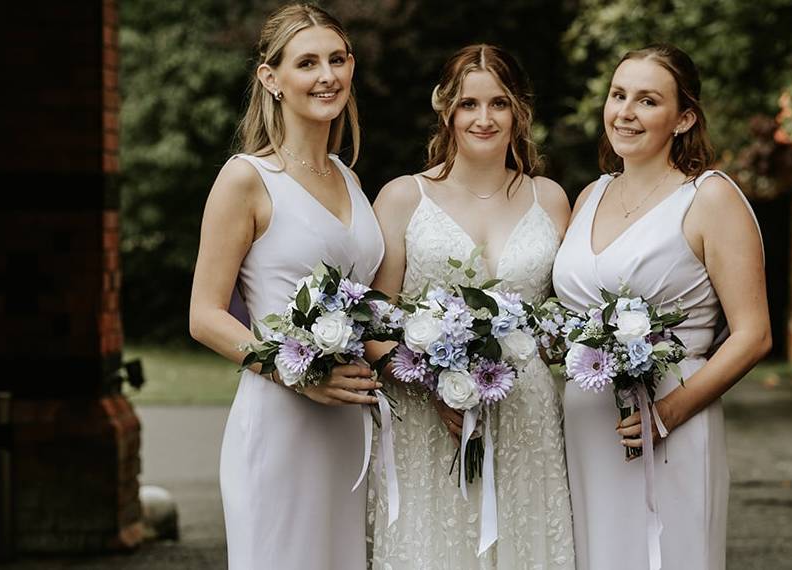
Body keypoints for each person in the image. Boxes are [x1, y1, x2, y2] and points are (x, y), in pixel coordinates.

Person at [553, 43, 771, 570]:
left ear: (683, 118)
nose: (625, 112)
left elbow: (753, 334)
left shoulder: (709, 198)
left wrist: (668, 413)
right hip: (587, 427)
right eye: (618, 95)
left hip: (670, 420)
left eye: (648, 101)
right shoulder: (590, 196)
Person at [188, 4, 384, 568]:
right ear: (271, 78)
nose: (328, 76)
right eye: (308, 63)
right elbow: (205, 315)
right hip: (280, 421)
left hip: (349, 426)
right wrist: (296, 373)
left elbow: (366, 301)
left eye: (338, 59)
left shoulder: (347, 176)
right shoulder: (248, 178)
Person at [368, 44, 575, 569]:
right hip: (427, 418)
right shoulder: (402, 198)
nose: (484, 119)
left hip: (525, 414)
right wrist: (436, 385)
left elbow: (564, 322)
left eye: (499, 103)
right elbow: (373, 324)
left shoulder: (549, 199)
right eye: (468, 104)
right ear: (446, 109)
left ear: (519, 111)